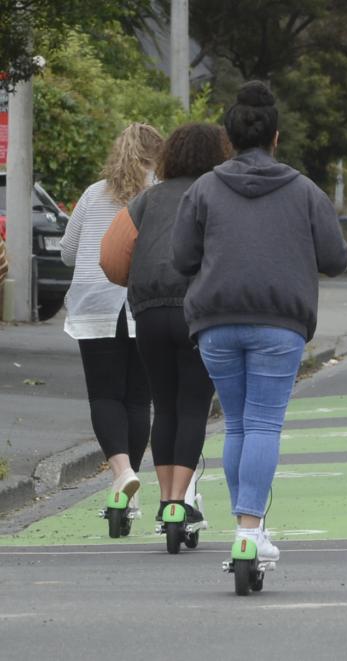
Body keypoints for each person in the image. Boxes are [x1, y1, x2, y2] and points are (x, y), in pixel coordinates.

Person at [172, 81, 347, 561]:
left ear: (228, 138)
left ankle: (247, 528)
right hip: (280, 323)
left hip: (215, 322)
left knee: (237, 425)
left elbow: (181, 258)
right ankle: (251, 533)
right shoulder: (306, 191)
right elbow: (336, 258)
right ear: (276, 137)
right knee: (264, 424)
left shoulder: (204, 189)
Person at [100, 123, 231, 526]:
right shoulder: (219, 196)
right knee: (193, 406)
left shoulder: (146, 200)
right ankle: (179, 503)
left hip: (151, 313)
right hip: (199, 313)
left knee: (165, 407)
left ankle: (164, 500)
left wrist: (137, 284)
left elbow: (110, 256)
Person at [60, 123, 164, 527]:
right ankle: (128, 488)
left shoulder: (93, 193)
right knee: (138, 399)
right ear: (158, 155)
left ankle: (122, 474)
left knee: (104, 395)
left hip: (94, 300)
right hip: (142, 301)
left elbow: (68, 253)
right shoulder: (159, 194)